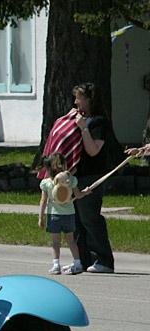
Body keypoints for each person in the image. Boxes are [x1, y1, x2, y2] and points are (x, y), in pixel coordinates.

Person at [71, 82, 117, 273]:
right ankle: (84, 259)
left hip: (90, 176)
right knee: (76, 220)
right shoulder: (81, 119)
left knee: (90, 217)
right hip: (75, 175)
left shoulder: (98, 122)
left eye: (79, 98)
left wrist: (83, 129)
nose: (75, 102)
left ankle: (104, 260)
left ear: (89, 99)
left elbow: (93, 150)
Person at [38, 153, 90, 275]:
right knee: (71, 241)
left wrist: (41, 217)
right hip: (69, 215)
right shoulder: (71, 180)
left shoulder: (46, 183)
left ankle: (56, 265)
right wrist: (86, 192)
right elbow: (78, 195)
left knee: (55, 242)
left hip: (54, 216)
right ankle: (77, 263)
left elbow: (43, 201)